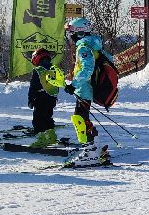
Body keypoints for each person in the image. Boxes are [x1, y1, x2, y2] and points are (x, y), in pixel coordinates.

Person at [63, 16, 111, 167]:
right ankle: (95, 148)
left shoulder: (84, 47)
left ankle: (90, 152)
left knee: (80, 119)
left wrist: (74, 84)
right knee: (82, 118)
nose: (69, 36)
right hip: (87, 88)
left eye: (70, 33)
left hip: (85, 88)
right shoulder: (91, 44)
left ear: (79, 32)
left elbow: (87, 69)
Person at [26, 48, 64, 146]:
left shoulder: (38, 70)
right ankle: (52, 137)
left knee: (38, 119)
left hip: (40, 98)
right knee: (48, 117)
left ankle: (41, 139)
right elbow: (58, 83)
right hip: (51, 98)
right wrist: (55, 96)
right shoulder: (54, 68)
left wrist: (30, 99)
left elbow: (33, 86)